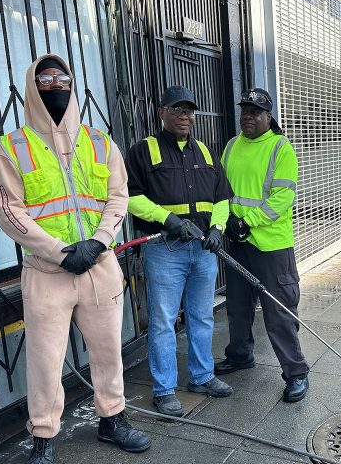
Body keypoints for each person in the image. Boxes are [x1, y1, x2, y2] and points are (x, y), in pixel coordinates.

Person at [0, 54, 150, 464]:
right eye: (46, 78)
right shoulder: (13, 145)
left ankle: (112, 420)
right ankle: (43, 440)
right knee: (44, 363)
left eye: (63, 77)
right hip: (47, 272)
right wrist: (61, 252)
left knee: (108, 352)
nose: (56, 84)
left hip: (99, 266)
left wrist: (99, 242)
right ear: (32, 86)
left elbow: (118, 197)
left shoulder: (100, 141)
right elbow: (10, 212)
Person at [125, 86, 233, 417]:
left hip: (202, 250)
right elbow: (129, 196)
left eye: (189, 111)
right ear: (162, 112)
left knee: (202, 316)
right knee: (163, 322)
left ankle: (202, 377)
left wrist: (217, 229)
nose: (184, 116)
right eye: (177, 110)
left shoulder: (205, 151)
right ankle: (164, 389)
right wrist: (169, 220)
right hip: (164, 249)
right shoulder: (144, 150)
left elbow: (222, 198)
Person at [214, 88, 309, 403]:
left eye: (255, 111)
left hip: (271, 246)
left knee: (278, 311)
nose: (247, 116)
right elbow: (223, 189)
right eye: (245, 110)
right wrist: (228, 221)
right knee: (238, 307)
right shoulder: (231, 146)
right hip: (237, 241)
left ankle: (296, 373)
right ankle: (240, 354)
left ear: (268, 116)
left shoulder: (281, 148)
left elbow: (282, 198)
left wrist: (247, 221)